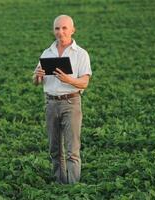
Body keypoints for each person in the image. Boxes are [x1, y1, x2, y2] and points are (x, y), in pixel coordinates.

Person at [33, 15, 92, 184]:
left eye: (64, 28)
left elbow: (85, 82)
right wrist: (37, 77)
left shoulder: (81, 54)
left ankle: (73, 188)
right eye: (57, 28)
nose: (61, 32)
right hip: (50, 103)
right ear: (54, 31)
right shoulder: (47, 53)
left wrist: (69, 80)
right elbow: (36, 81)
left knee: (72, 150)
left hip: (71, 103)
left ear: (73, 30)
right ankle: (60, 184)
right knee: (55, 149)